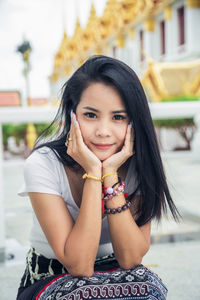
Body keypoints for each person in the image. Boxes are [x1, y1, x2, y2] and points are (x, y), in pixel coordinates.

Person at [17, 55, 180, 300]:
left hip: (116, 270)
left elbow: (130, 258)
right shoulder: (43, 165)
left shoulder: (140, 166)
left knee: (148, 289)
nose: (103, 131)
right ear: (72, 115)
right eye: (91, 115)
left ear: (133, 122)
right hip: (49, 276)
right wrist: (93, 172)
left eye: (118, 117)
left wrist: (110, 175)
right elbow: (79, 265)